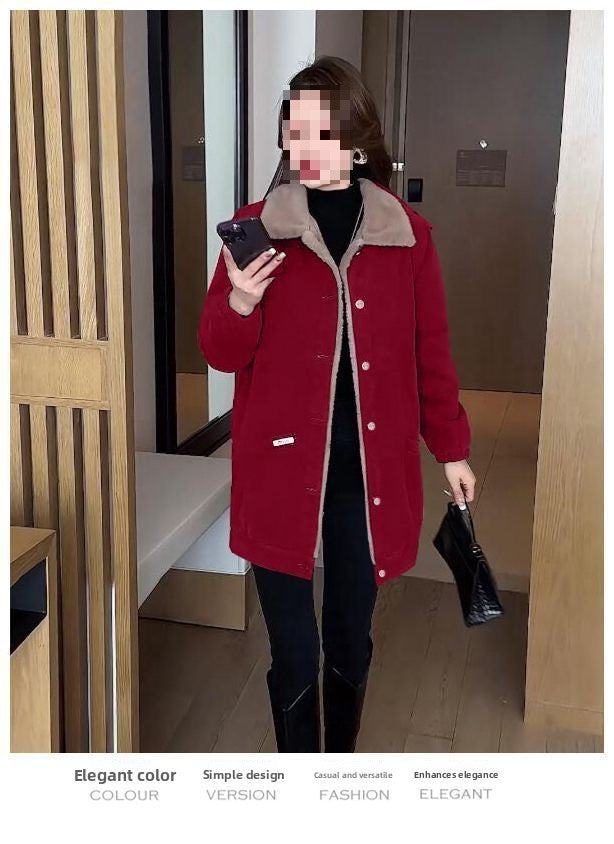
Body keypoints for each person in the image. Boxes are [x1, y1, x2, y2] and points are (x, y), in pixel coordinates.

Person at [197, 56, 476, 753]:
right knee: (294, 650)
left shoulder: (406, 235)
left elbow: (431, 353)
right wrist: (241, 301)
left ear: (356, 140)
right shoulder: (257, 228)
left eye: (322, 133)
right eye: (294, 132)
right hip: (277, 468)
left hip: (368, 473)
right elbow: (219, 352)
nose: (305, 149)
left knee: (350, 636)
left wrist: (452, 450)